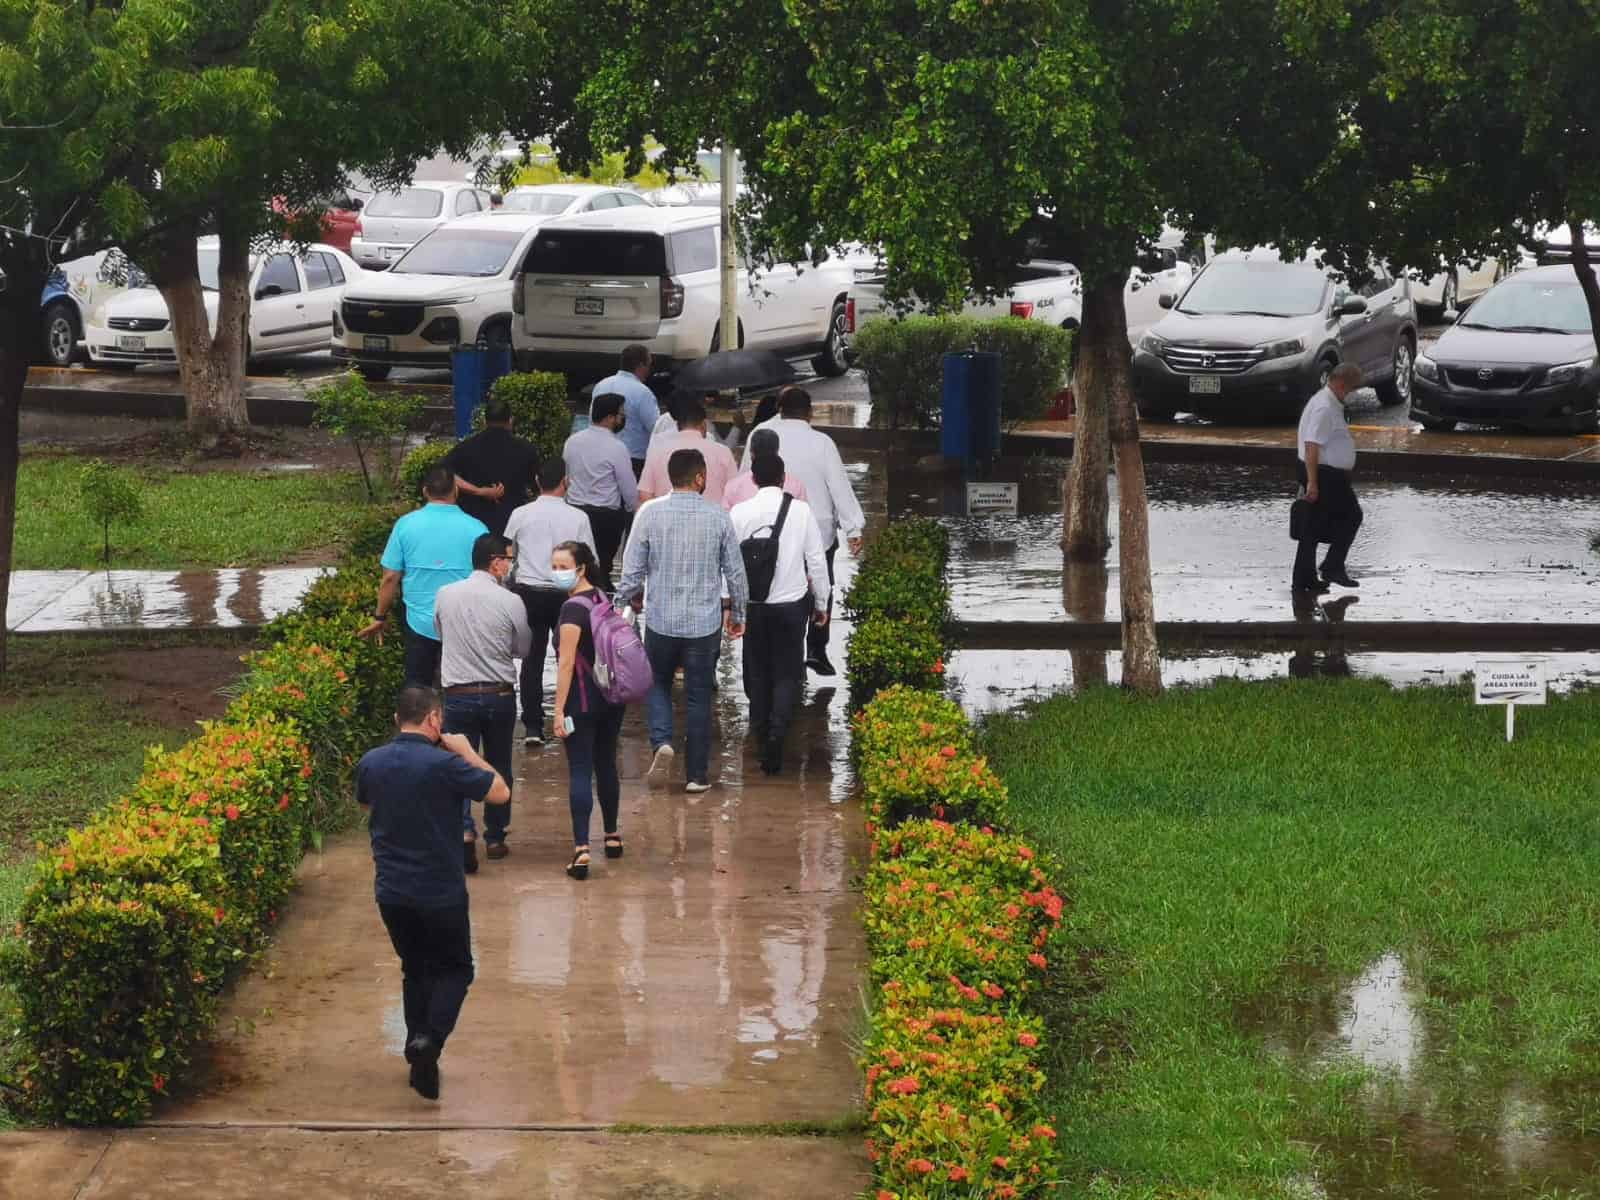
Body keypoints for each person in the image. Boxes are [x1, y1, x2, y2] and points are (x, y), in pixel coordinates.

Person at [356, 684, 509, 1100]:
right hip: (440, 891)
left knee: (415, 970)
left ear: (396, 719)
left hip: (392, 891)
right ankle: (430, 1041)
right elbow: (499, 792)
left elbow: (369, 806)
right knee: (457, 969)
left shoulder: (372, 762)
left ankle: (419, 1059)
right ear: (435, 720)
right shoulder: (446, 765)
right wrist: (465, 750)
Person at [617, 448, 749, 793]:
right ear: (700, 477)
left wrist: (623, 605)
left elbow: (632, 570)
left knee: (657, 683)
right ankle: (696, 776)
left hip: (661, 621)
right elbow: (735, 573)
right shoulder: (718, 516)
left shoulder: (649, 513)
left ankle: (662, 740)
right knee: (698, 696)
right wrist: (738, 615)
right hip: (704, 626)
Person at [746, 386, 865, 676]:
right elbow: (839, 486)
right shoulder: (822, 442)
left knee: (774, 585)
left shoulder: (760, 433)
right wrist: (854, 528)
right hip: (816, 530)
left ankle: (781, 649)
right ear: (810, 413)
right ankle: (816, 648)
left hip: (766, 529)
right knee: (819, 586)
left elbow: (744, 479)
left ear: (780, 409)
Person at [433, 532, 531, 869]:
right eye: (509, 559)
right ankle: (495, 836)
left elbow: (440, 634)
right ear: (495, 563)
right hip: (499, 695)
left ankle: (463, 830)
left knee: (457, 763)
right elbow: (524, 648)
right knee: (500, 763)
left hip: (457, 696)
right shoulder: (511, 601)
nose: (511, 565)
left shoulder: (445, 595)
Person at [730, 453, 830, 774]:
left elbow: (728, 564)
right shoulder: (801, 512)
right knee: (787, 673)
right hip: (791, 606)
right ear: (784, 478)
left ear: (754, 479)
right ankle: (777, 735)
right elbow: (817, 562)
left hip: (753, 607)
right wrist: (822, 605)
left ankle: (760, 735)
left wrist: (729, 606)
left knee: (757, 670)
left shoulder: (739, 513)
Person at [362, 467, 488, 685]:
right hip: (465, 622)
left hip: (419, 622)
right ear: (456, 491)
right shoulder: (477, 528)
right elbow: (489, 579)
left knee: (418, 689)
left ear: (425, 491)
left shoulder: (405, 525)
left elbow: (390, 577)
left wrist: (380, 617)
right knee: (463, 688)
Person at [504, 457, 595, 746]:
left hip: (528, 593)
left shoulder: (519, 514)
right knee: (571, 657)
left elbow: (509, 556)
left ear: (537, 483)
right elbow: (590, 559)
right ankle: (569, 720)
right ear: (565, 482)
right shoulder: (578, 518)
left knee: (532, 660)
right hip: (566, 595)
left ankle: (532, 727)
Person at [550, 540, 626, 880]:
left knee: (581, 769)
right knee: (606, 763)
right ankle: (611, 836)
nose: (556, 572)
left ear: (580, 568)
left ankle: (582, 848)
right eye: (554, 566)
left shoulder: (572, 610)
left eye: (563, 566)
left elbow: (565, 665)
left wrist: (556, 712)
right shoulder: (602, 598)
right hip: (611, 697)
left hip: (581, 700)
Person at [1294, 362, 1365, 595]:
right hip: (1323, 473)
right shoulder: (1324, 407)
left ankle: (1304, 578)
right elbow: (1312, 445)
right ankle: (1332, 566)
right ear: (1342, 384)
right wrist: (1313, 482)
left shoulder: (1327, 401)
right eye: (1353, 389)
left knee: (1311, 527)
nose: (1353, 394)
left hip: (1321, 471)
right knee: (1353, 515)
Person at [562, 392, 638, 582]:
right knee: (602, 568)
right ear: (610, 418)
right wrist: (632, 510)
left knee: (576, 565)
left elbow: (567, 476)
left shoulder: (572, 441)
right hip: (606, 519)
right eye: (620, 414)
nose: (622, 418)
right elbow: (628, 489)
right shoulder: (617, 447)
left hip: (574, 510)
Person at [442, 396, 541, 535]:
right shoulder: (526, 449)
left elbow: (444, 473)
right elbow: (537, 484)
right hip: (510, 523)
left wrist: (479, 491)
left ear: (484, 421)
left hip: (474, 522)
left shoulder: (466, 447)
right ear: (510, 420)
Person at [637, 395, 739, 506]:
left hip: (667, 520)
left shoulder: (657, 452)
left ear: (679, 426)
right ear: (704, 424)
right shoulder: (723, 452)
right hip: (713, 520)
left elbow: (644, 496)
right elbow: (735, 493)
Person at [590, 344, 659, 476]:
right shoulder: (643, 392)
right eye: (649, 365)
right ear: (641, 366)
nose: (650, 370)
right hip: (632, 460)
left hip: (600, 455)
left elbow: (593, 420)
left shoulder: (601, 385)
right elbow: (656, 428)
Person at [722, 427, 808, 510]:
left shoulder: (733, 486)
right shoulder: (796, 485)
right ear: (777, 452)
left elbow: (727, 520)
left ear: (751, 454)